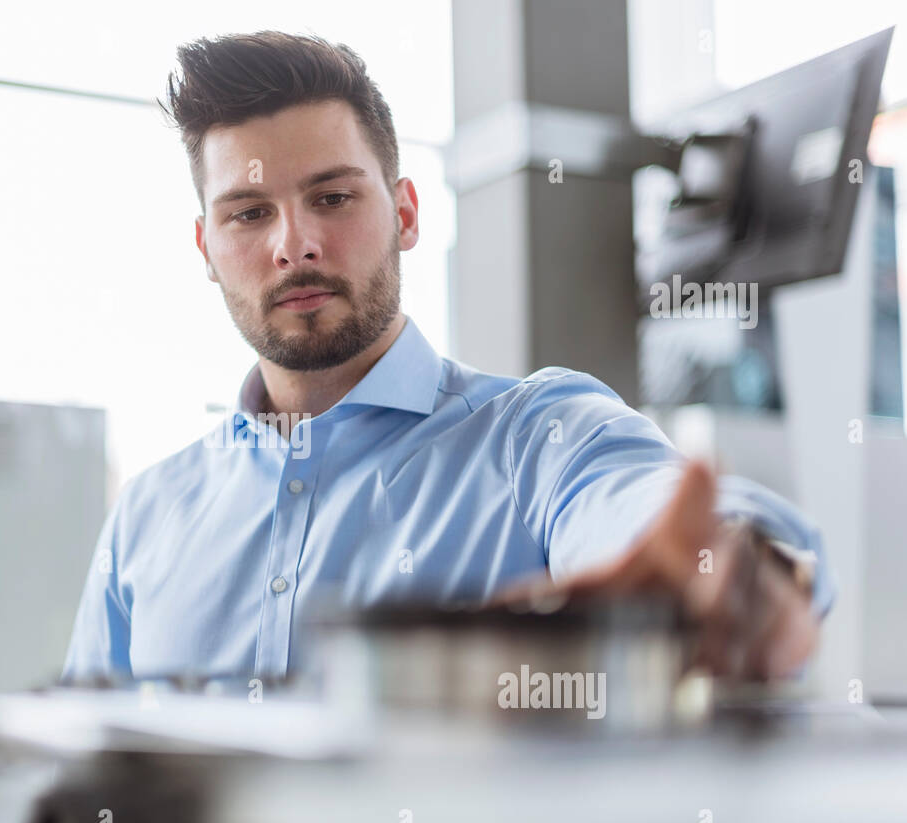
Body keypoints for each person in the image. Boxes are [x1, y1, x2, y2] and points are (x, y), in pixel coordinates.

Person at [61, 31, 830, 684]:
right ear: (206, 248)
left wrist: (734, 576)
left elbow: (638, 505)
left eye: (332, 198)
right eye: (250, 213)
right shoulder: (146, 516)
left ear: (405, 212)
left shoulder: (538, 436)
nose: (293, 244)